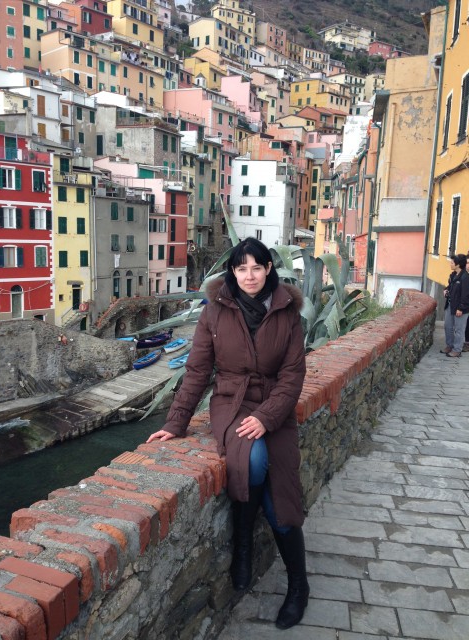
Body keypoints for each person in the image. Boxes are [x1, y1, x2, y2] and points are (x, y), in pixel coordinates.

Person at [147, 237, 309, 630]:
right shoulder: (215, 313)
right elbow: (198, 371)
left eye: (257, 267)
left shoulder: (288, 314)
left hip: (275, 408)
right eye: (242, 268)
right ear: (232, 273)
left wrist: (268, 417)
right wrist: (175, 423)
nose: (249, 275)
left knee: (280, 500)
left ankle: (297, 586)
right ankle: (242, 547)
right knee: (252, 460)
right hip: (232, 403)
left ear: (269, 269)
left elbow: (292, 378)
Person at [440, 253, 469, 357]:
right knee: (447, 326)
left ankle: (457, 350)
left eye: (452, 262)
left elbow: (466, 295)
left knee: (459, 330)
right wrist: (446, 290)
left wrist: (461, 308)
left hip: (460, 309)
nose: (450, 264)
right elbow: (450, 287)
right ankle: (449, 346)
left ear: (458, 264)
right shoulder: (453, 275)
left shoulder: (465, 277)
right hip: (450, 306)